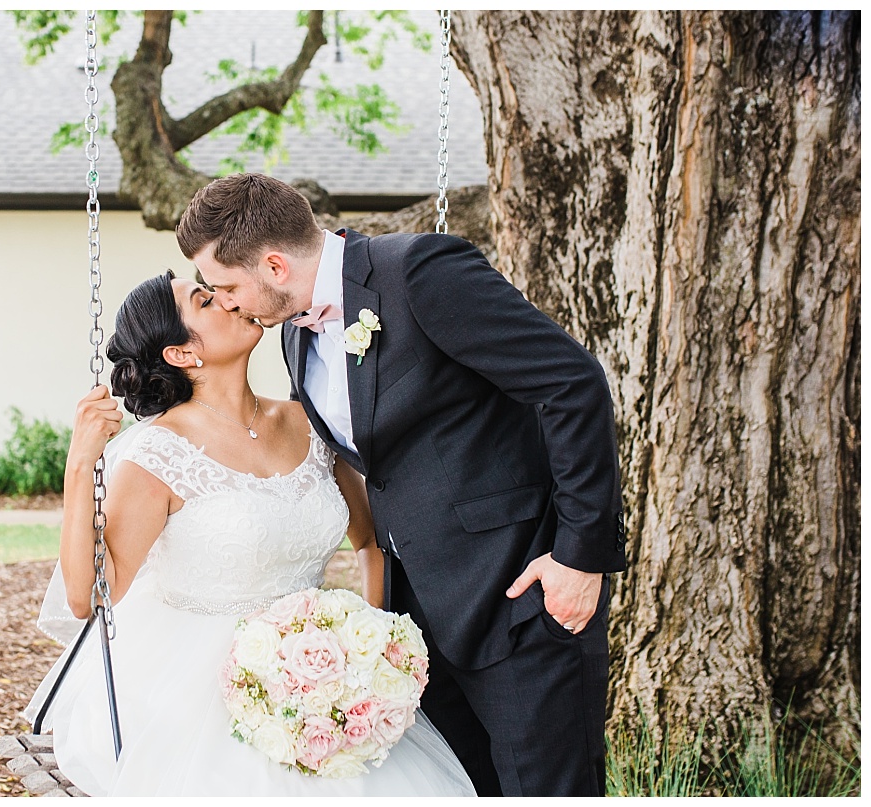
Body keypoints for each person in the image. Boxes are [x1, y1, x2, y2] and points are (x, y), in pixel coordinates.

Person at [175, 173, 627, 797]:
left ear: (274, 264)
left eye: (226, 286)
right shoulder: (292, 337)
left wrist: (581, 555)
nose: (225, 302)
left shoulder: (419, 273)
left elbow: (571, 386)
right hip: (419, 630)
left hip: (520, 604)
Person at [23, 271, 475, 796]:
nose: (229, 300)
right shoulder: (159, 453)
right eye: (204, 300)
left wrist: (368, 655)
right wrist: (80, 466)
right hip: (192, 684)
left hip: (324, 667)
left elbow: (371, 543)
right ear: (181, 354)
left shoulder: (308, 422)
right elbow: (89, 596)